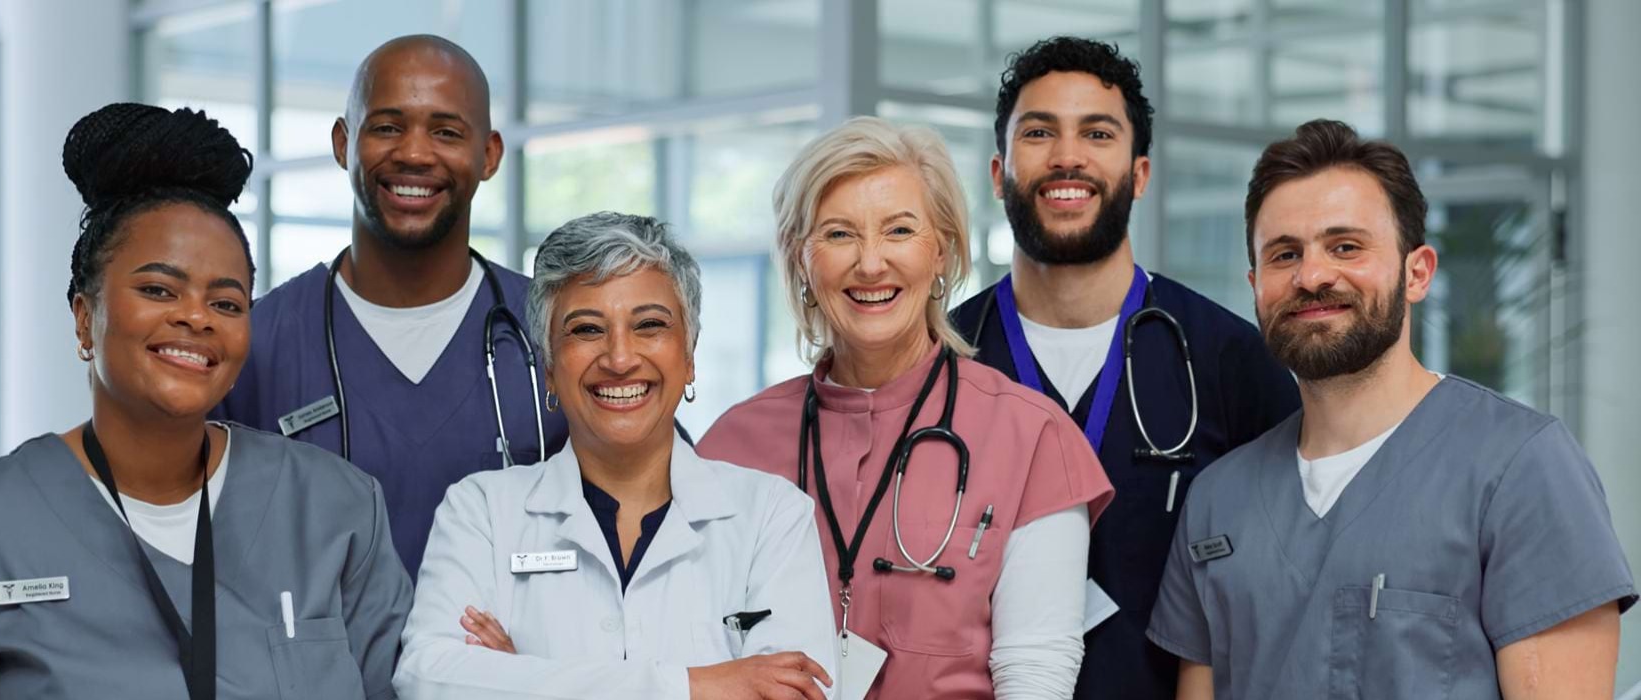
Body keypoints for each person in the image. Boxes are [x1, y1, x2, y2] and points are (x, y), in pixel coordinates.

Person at [0, 103, 412, 700]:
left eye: (227, 303)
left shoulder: (337, 510)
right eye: (158, 289)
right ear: (84, 318)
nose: (196, 318)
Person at [1148, 119, 1636, 699]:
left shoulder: (1521, 468)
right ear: (1255, 284)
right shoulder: (1218, 500)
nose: (1312, 275)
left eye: (1346, 247)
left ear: (1417, 272)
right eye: (1284, 255)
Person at [700, 117, 1115, 699]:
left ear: (942, 250)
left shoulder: (1030, 438)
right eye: (840, 234)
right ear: (801, 261)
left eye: (898, 231)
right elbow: (694, 650)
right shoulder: (730, 447)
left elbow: (1035, 677)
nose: (871, 264)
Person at [946, 36, 1300, 698]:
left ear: (1139, 173)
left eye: (1098, 133)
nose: (1068, 156)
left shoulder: (1229, 359)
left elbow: (1289, 577)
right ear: (998, 172)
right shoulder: (942, 361)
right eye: (1039, 132)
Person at [393, 212, 835, 699]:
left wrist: (523, 679)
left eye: (649, 325)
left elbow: (800, 693)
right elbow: (428, 679)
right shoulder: (481, 512)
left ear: (689, 358)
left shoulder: (771, 516)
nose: (620, 358)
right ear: (549, 369)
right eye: (586, 330)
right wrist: (697, 685)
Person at [213, 34, 567, 577]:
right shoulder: (257, 341)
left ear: (489, 154)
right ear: (342, 142)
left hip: (513, 661)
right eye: (387, 127)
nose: (415, 153)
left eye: (446, 131)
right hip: (318, 665)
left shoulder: (556, 330)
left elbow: (647, 501)